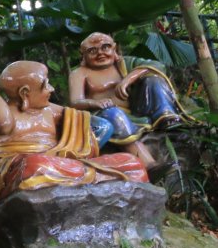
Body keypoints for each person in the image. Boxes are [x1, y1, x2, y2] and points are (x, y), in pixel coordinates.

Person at [0, 60, 148, 211]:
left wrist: (78, 147)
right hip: (27, 170)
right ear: (24, 93)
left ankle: (92, 177)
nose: (51, 89)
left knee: (132, 163)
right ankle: (99, 178)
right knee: (33, 165)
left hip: (64, 166)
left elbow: (98, 125)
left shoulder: (51, 111)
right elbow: (3, 123)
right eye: (45, 85)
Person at [68, 32, 189, 163]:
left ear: (114, 49)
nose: (100, 53)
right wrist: (94, 103)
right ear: (84, 56)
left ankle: (165, 118)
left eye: (105, 47)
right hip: (107, 114)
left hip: (137, 110)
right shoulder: (79, 73)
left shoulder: (124, 63)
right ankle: (149, 164)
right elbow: (75, 102)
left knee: (153, 78)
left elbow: (158, 66)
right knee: (115, 114)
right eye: (92, 51)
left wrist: (128, 79)